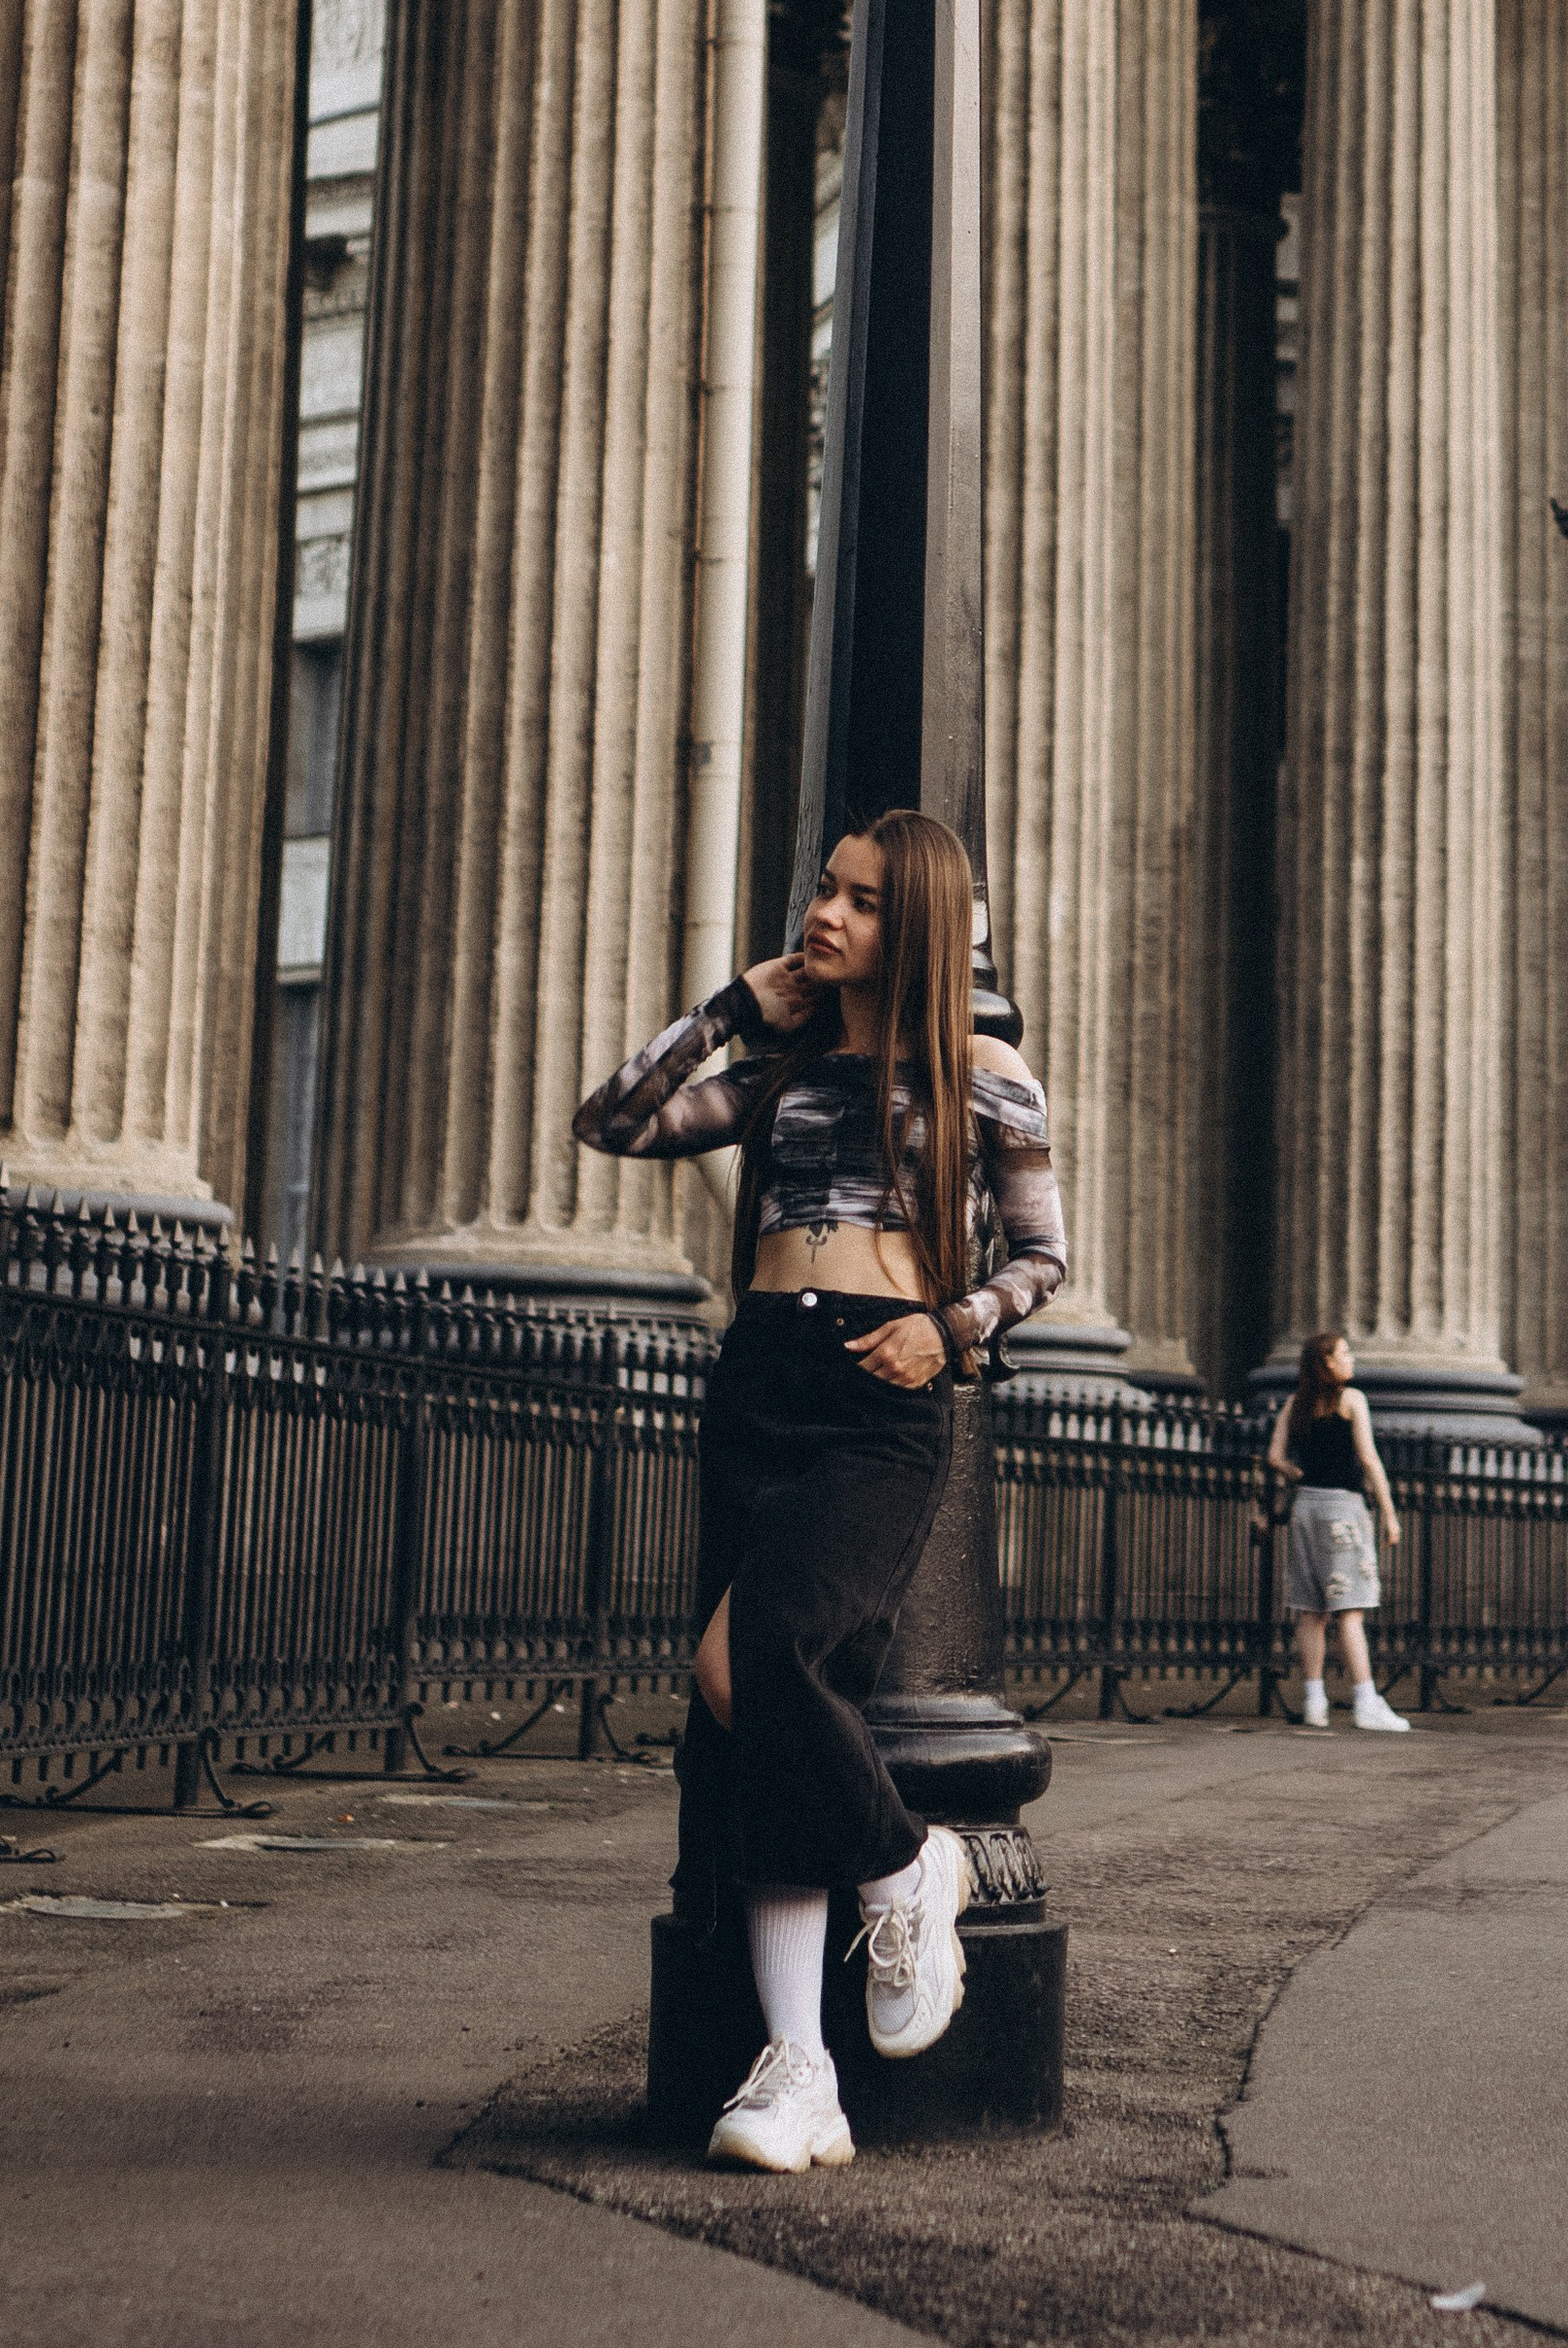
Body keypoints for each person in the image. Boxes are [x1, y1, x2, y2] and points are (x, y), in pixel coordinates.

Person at [573, 809, 1067, 2172]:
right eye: (822, 892)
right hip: (763, 1380)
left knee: (760, 1661)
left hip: (880, 1390)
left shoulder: (986, 1073)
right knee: (758, 1721)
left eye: (856, 900)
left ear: (908, 922)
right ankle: (802, 2072)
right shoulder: (786, 1070)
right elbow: (613, 1121)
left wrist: (952, 1332)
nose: (824, 915)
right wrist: (730, 1007)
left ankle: (911, 1864)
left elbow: (1043, 1260)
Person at [1264, 1331, 1412, 1733]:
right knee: (1350, 1610)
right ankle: (1366, 1699)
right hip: (1343, 1510)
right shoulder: (1352, 1400)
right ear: (1327, 1362)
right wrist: (1390, 1512)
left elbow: (1275, 1456)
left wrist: (1296, 1472)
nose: (1351, 1359)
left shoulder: (1295, 1404)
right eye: (1345, 1352)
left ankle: (1314, 1700)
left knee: (1310, 1611)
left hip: (1305, 1509)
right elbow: (1369, 1459)